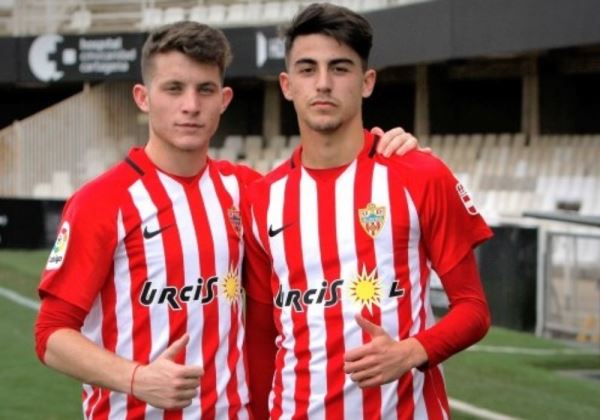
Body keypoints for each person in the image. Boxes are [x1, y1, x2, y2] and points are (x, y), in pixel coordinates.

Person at [33, 20, 423, 419]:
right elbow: (51, 336)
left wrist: (387, 147)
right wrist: (137, 379)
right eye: (173, 89)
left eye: (205, 90)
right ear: (143, 97)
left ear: (224, 99)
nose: (191, 105)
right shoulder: (103, 201)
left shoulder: (248, 192)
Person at [242, 3, 493, 419]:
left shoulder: (420, 174)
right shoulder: (261, 199)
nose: (323, 83)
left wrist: (411, 352)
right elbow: (262, 336)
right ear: (287, 84)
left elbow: (473, 309)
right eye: (307, 69)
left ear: (367, 82)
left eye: (340, 68)